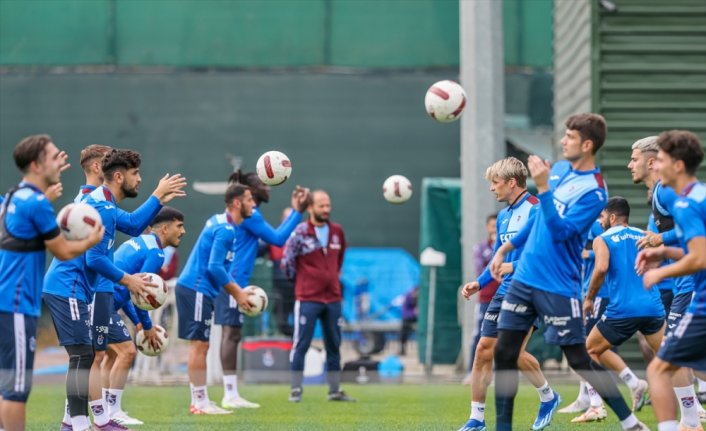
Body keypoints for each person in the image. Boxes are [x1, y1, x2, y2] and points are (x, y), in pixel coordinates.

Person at [489, 113, 648, 431]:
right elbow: (538, 218)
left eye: (570, 137)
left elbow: (561, 232)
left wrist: (543, 188)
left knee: (579, 358)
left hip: (557, 285)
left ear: (587, 145)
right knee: (504, 352)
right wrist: (507, 247)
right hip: (524, 278)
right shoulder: (560, 170)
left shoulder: (595, 192)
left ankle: (630, 422)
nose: (563, 141)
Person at [44, 147, 186, 431]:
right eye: (136, 174)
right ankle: (83, 423)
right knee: (84, 356)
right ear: (119, 176)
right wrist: (128, 280)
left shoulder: (105, 204)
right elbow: (94, 259)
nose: (139, 179)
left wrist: (157, 198)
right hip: (68, 286)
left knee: (85, 356)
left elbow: (133, 225)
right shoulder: (100, 206)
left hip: (75, 289)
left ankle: (74, 422)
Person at [0, 134, 103, 431]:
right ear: (36, 165)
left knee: (7, 385)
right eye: (54, 156)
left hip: (8, 302)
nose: (61, 161)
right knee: (16, 391)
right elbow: (64, 251)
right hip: (16, 305)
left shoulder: (14, 196)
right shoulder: (36, 204)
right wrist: (92, 240)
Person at [458, 157, 559, 431]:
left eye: (496, 182)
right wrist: (479, 282)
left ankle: (548, 397)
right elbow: (497, 258)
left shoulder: (537, 209)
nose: (492, 188)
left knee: (511, 352)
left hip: (530, 288)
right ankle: (476, 418)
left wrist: (512, 267)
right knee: (483, 349)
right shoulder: (503, 216)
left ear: (512, 182)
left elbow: (545, 253)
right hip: (504, 289)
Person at [214, 171, 309, 409]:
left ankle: (230, 392)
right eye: (262, 184)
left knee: (232, 334)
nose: (268, 188)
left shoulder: (249, 215)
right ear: (250, 191)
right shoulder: (252, 215)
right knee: (231, 334)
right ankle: (229, 393)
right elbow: (278, 238)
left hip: (233, 279)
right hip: (233, 281)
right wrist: (297, 211)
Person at [629, 135, 705, 425]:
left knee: (660, 368)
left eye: (660, 160)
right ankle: (691, 421)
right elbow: (692, 242)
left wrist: (661, 270)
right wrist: (663, 250)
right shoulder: (692, 195)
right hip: (692, 287)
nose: (656, 166)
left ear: (678, 165)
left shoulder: (671, 195)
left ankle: (689, 421)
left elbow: (699, 256)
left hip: (694, 289)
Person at [101, 207, 186, 426]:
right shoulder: (156, 253)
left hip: (102, 299)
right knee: (127, 352)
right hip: (104, 302)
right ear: (164, 229)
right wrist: (147, 326)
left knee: (110, 355)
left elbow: (128, 291)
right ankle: (112, 411)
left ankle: (104, 412)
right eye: (179, 226)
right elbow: (141, 293)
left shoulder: (138, 242)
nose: (183, 231)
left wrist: (139, 322)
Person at [175, 183, 255, 415]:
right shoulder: (225, 229)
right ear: (237, 203)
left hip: (199, 289)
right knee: (199, 346)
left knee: (202, 345)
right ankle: (200, 403)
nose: (253, 204)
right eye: (249, 200)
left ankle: (201, 400)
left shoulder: (220, 222)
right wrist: (238, 292)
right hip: (197, 288)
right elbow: (215, 267)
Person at [583, 197, 665, 413]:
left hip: (623, 310)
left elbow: (601, 268)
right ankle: (694, 409)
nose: (600, 221)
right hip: (652, 307)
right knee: (669, 357)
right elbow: (664, 253)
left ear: (612, 217)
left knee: (589, 349)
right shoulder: (644, 235)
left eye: (602, 216)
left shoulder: (602, 238)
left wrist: (589, 298)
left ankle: (596, 406)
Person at [283, 190, 354, 403]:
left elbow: (338, 261)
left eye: (328, 205)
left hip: (333, 298)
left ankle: (334, 390)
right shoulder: (300, 232)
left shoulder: (337, 231)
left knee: (334, 345)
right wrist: (304, 283)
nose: (326, 209)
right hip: (307, 298)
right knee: (301, 344)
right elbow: (287, 262)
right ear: (310, 207)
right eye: (321, 205)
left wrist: (330, 279)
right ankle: (295, 389)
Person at [558, 219, 611, 422]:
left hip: (598, 294)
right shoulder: (577, 223)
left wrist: (587, 254)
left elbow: (606, 251)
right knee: (588, 346)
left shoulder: (595, 224)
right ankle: (586, 398)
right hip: (586, 292)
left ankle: (595, 402)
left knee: (587, 347)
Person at [467, 213, 499, 370]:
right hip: (486, 299)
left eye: (497, 226)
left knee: (505, 337)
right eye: (492, 226)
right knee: (480, 335)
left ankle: (501, 372)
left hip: (506, 297)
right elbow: (480, 271)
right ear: (487, 227)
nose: (495, 230)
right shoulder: (481, 248)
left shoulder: (508, 247)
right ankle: (471, 372)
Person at [270, 207, 297, 337]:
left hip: (297, 288)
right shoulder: (273, 238)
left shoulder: (302, 238)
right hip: (280, 288)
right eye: (286, 218)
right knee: (280, 318)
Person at [399, 286, 418, 356]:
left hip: (416, 318)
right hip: (408, 318)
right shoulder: (408, 297)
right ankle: (402, 349)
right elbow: (406, 311)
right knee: (404, 332)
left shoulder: (418, 298)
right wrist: (414, 313)